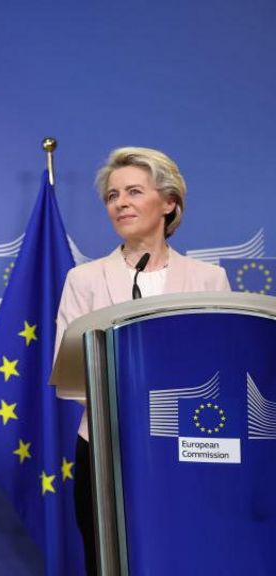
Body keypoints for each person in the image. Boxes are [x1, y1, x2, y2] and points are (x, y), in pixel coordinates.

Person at [54, 146, 229, 574]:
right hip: (106, 446)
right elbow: (70, 371)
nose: (120, 203)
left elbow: (222, 368)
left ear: (169, 202)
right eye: (112, 196)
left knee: (186, 555)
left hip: (189, 448)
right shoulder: (84, 279)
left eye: (134, 191)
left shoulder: (209, 279)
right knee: (108, 559)